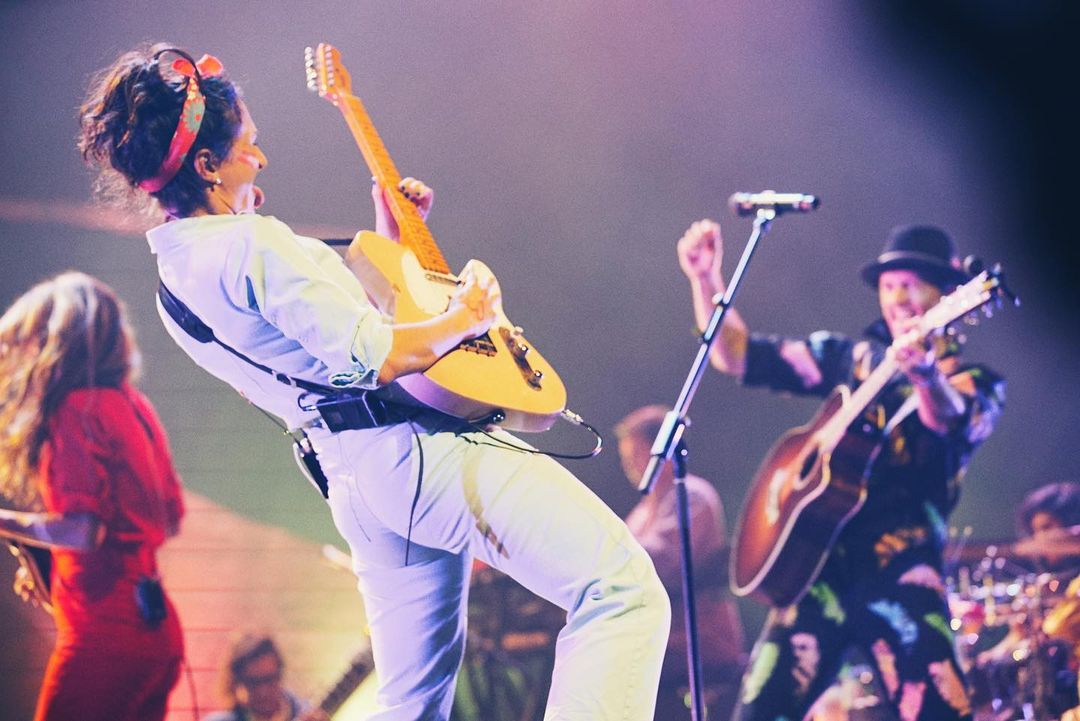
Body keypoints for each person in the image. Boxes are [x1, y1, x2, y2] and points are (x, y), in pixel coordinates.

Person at [78, 44, 669, 721]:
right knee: (621, 587)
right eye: (249, 145)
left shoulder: (175, 282)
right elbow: (375, 356)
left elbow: (320, 345)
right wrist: (467, 315)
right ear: (207, 165)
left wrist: (391, 241)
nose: (260, 158)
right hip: (418, 451)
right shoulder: (252, 244)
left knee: (410, 705)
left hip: (357, 479)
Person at [677, 219, 1005, 721]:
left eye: (912, 283)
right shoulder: (849, 358)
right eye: (889, 286)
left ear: (948, 293)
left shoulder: (974, 381)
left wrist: (924, 375)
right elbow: (736, 355)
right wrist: (706, 280)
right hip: (816, 574)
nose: (898, 298)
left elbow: (948, 420)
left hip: (902, 574)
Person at [0, 272, 186, 721]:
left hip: (104, 636)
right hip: (156, 631)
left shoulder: (75, 410)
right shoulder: (133, 405)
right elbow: (170, 517)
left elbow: (83, 531)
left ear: (55, 343)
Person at [615, 404, 745, 720]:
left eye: (637, 454)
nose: (630, 465)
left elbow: (662, 561)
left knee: (615, 671)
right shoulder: (641, 513)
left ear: (663, 451)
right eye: (626, 458)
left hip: (698, 638)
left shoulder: (691, 494)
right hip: (661, 638)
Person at [203, 632, 329, 721]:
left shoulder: (310, 713)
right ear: (236, 683)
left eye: (269, 680)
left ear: (279, 674)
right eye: (254, 683)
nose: (263, 691)